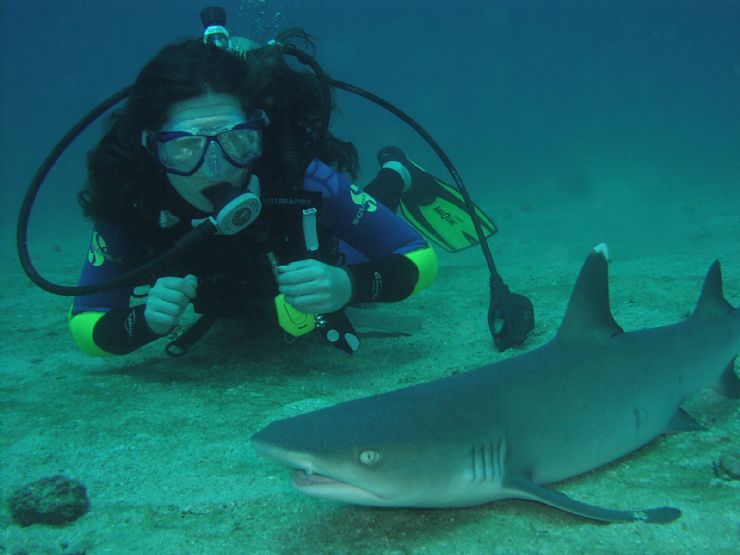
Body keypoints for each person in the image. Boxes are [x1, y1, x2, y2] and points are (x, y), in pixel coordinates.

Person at [68, 33, 438, 357]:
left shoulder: (298, 176)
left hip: (324, 262)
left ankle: (395, 172)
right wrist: (143, 322)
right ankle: (394, 172)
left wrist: (349, 284)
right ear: (152, 147)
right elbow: (85, 323)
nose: (215, 168)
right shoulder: (133, 198)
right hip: (243, 298)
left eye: (235, 140)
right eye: (185, 149)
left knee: (361, 234)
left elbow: (419, 257)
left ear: (257, 133)